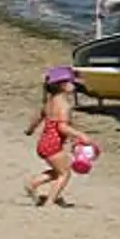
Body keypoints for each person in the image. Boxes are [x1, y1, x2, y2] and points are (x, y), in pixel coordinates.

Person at [26, 65, 91, 207]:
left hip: (44, 143)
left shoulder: (49, 102)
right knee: (65, 173)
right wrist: (80, 135)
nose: (74, 85)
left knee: (58, 171)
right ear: (63, 85)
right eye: (72, 83)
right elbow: (62, 127)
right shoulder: (64, 105)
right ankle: (50, 200)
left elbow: (39, 117)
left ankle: (34, 184)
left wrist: (30, 130)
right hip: (53, 144)